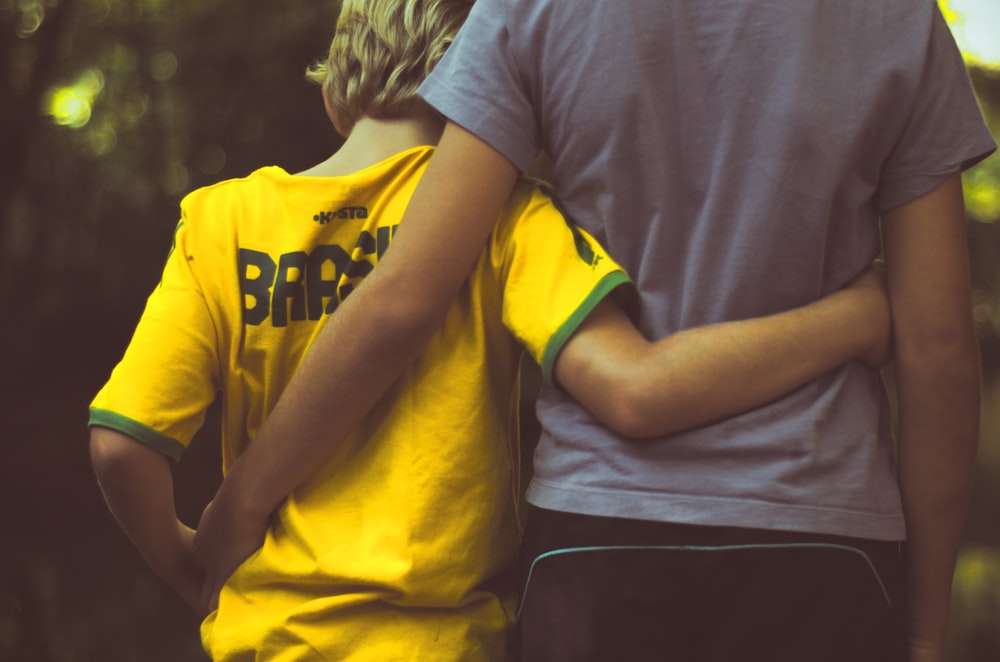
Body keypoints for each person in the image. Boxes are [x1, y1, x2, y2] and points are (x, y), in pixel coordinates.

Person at [191, 1, 997, 661]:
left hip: (598, 546)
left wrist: (244, 500)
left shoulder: (533, 8)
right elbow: (937, 349)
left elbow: (404, 295)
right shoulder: (898, 18)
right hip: (824, 545)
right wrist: (925, 631)